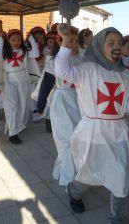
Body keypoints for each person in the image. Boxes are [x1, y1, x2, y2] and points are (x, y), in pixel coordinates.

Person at [55, 24, 129, 224]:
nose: (116, 46)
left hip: (118, 132)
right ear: (99, 46)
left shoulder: (127, 75)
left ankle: (116, 219)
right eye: (110, 42)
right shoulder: (87, 69)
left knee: (122, 175)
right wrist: (64, 43)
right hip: (93, 131)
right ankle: (74, 191)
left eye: (119, 43)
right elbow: (61, 71)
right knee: (89, 172)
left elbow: (125, 108)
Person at [36, 26, 82, 186]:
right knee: (65, 141)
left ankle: (62, 169)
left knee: (76, 140)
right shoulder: (54, 62)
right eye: (70, 41)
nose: (74, 44)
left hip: (80, 103)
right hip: (61, 102)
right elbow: (45, 86)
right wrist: (40, 106)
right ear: (60, 41)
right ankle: (69, 181)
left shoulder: (82, 61)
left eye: (76, 41)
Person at [0, 29, 39, 144]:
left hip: (23, 81)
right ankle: (13, 132)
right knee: (12, 107)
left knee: (23, 106)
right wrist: (1, 40)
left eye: (18, 40)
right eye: (13, 40)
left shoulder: (24, 52)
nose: (16, 42)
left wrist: (31, 39)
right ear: (8, 40)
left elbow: (36, 54)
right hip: (9, 82)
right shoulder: (4, 52)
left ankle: (19, 125)